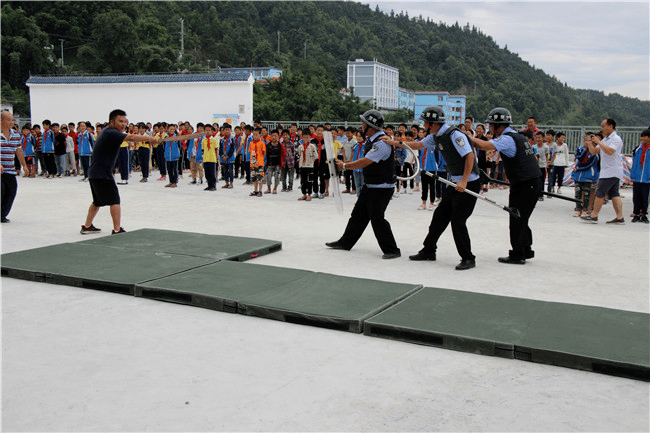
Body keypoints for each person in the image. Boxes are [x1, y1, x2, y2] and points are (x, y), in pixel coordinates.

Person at [384, 105, 481, 270]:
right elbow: (417, 145)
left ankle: (468, 258)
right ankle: (429, 250)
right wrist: (393, 142)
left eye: (425, 122)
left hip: (468, 183)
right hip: (455, 182)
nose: (423, 125)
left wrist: (464, 181)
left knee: (458, 221)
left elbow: (469, 155)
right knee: (439, 217)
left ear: (432, 123)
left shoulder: (454, 134)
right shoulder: (436, 136)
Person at [326, 110, 401, 259]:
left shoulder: (382, 143)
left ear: (371, 126)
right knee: (358, 215)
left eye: (363, 124)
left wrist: (345, 166)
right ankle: (346, 242)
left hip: (382, 188)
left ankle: (392, 250)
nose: (361, 127)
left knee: (377, 218)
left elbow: (366, 161)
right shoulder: (371, 140)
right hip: (371, 185)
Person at [471, 107, 542, 265]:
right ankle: (526, 249)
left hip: (525, 183)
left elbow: (485, 146)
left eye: (491, 125)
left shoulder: (507, 139)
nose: (490, 128)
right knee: (522, 217)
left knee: (516, 217)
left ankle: (517, 254)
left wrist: (465, 138)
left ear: (499, 125)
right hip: (531, 181)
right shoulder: (518, 136)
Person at [80, 109, 159, 234]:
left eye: (125, 122)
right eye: (120, 121)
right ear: (112, 122)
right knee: (115, 200)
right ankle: (117, 229)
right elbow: (131, 137)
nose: (123, 124)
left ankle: (87, 226)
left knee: (97, 201)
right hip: (101, 174)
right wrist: (150, 139)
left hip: (96, 173)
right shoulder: (111, 132)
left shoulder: (108, 131)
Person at [581, 119, 625, 224]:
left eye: (603, 126)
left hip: (611, 171)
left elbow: (609, 151)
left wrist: (599, 142)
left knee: (599, 193)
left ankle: (594, 215)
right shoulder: (606, 139)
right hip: (609, 171)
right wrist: (590, 144)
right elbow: (594, 151)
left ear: (610, 126)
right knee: (614, 194)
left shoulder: (616, 139)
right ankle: (620, 217)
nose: (601, 129)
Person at [1, 111, 29, 223]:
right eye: (9, 120)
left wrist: (24, 165)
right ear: (1, 120)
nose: (12, 122)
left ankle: (2, 215)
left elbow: (19, 150)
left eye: (12, 120)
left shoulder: (16, 135)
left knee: (11, 192)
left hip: (10, 170)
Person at [571, 132, 600, 217]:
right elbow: (577, 158)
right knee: (578, 191)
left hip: (588, 174)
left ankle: (585, 209)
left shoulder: (594, 150)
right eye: (584, 139)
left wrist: (579, 168)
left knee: (587, 192)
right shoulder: (580, 149)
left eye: (587, 139)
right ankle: (578, 209)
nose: (585, 141)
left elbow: (591, 162)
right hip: (578, 174)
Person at [629, 128, 650, 223]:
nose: (643, 138)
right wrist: (632, 175)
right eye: (642, 136)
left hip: (647, 178)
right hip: (637, 177)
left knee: (645, 197)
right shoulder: (638, 149)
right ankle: (636, 213)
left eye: (645, 136)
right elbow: (634, 163)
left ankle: (644, 214)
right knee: (636, 197)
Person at [297, 130, 318, 201]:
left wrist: (311, 161)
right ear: (302, 137)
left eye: (307, 137)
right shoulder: (300, 146)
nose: (305, 139)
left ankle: (309, 194)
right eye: (304, 137)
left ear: (310, 137)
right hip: (302, 166)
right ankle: (304, 194)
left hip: (309, 166)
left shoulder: (312, 146)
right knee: (303, 181)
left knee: (309, 180)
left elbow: (316, 156)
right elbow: (298, 155)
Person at [264, 129, 284, 194]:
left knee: (277, 177)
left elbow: (284, 154)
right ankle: (269, 188)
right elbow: (265, 154)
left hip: (277, 164)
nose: (274, 137)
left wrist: (282, 162)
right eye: (272, 136)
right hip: (269, 164)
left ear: (278, 136)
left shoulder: (280, 145)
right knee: (268, 177)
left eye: (275, 136)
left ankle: (275, 188)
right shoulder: (268, 145)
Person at [248, 127, 266, 197]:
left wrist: (261, 160)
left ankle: (260, 191)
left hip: (260, 163)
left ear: (260, 135)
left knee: (260, 178)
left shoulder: (262, 143)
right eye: (254, 135)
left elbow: (264, 152)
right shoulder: (251, 143)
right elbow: (250, 152)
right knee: (254, 177)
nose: (255, 136)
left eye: (256, 135)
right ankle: (255, 190)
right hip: (253, 163)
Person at [201, 123, 219, 191]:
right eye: (206, 130)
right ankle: (209, 185)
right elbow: (203, 149)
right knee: (207, 173)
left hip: (212, 158)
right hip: (206, 158)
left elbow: (216, 149)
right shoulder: (203, 140)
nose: (207, 132)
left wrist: (216, 157)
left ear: (212, 131)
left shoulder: (214, 140)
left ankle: (213, 186)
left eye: (209, 130)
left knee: (212, 173)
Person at [533, 131, 549, 200]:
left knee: (541, 180)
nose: (538, 139)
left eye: (539, 137)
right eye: (536, 137)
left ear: (543, 138)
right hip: (535, 166)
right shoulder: (533, 147)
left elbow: (547, 156)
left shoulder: (546, 147)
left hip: (542, 166)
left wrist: (546, 163)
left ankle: (541, 195)